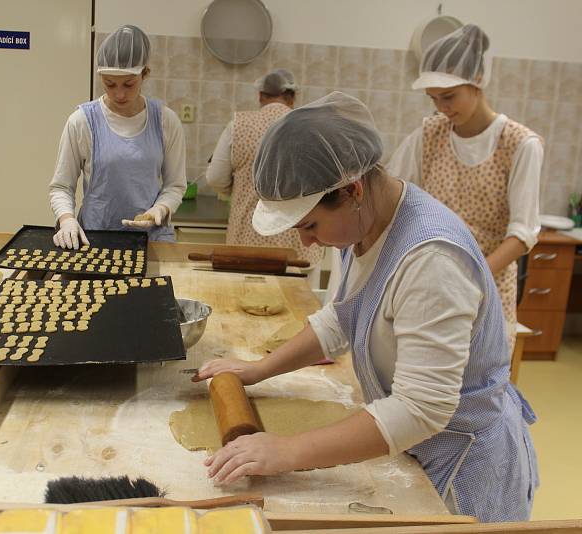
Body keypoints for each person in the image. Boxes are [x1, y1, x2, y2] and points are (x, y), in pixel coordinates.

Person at [195, 92, 538, 522]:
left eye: (310, 225)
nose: (305, 242)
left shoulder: (431, 261)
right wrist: (259, 369)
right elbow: (343, 316)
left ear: (353, 190)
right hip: (415, 445)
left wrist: (287, 451)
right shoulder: (365, 225)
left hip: (460, 469)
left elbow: (420, 409)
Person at [388, 24, 543, 351]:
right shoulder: (430, 134)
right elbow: (393, 194)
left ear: (478, 81)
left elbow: (522, 235)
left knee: (476, 388)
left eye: (449, 96)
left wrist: (472, 278)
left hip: (486, 289)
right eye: (433, 99)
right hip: (429, 284)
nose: (442, 108)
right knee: (423, 385)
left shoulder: (519, 144)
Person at [49, 25, 186, 248]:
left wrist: (160, 209)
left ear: (145, 74)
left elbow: (175, 185)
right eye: (110, 84)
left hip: (151, 241)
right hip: (96, 238)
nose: (119, 94)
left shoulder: (165, 121)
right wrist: (67, 219)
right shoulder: (82, 121)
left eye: (129, 84)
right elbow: (61, 187)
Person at [205, 69, 323, 268]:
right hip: (297, 242)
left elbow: (215, 177)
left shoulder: (239, 125)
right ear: (292, 97)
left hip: (247, 239)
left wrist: (238, 191)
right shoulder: (310, 127)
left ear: (260, 95)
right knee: (295, 298)